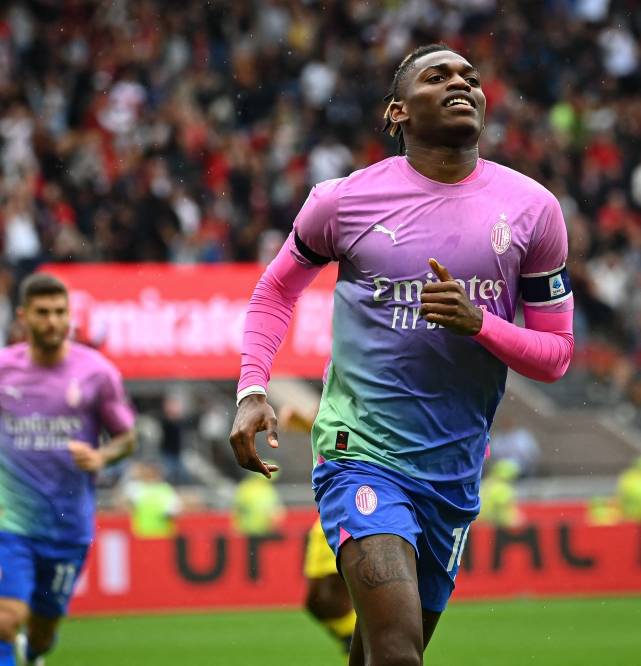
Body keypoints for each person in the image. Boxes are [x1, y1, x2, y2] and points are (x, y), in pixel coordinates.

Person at [229, 43, 574, 665]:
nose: (460, 83)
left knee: (373, 656)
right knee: (398, 655)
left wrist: (482, 326)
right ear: (398, 112)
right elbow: (275, 291)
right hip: (360, 456)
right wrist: (252, 389)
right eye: (436, 77)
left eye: (469, 76)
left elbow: (555, 356)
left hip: (454, 472)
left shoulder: (534, 210)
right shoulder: (343, 201)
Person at [0, 273, 137, 666]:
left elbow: (128, 438)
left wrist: (102, 457)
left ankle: (34, 654)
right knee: (3, 621)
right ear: (23, 316)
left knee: (41, 630)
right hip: (8, 517)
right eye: (43, 313)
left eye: (59, 312)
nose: (53, 321)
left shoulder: (97, 373)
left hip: (67, 524)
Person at [279, 404, 357, 655]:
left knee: (331, 595)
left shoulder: (362, 389)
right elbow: (332, 430)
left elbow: (343, 429)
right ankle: (353, 639)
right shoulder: (336, 383)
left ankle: (364, 643)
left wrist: (302, 419)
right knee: (317, 602)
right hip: (329, 510)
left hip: (354, 505)